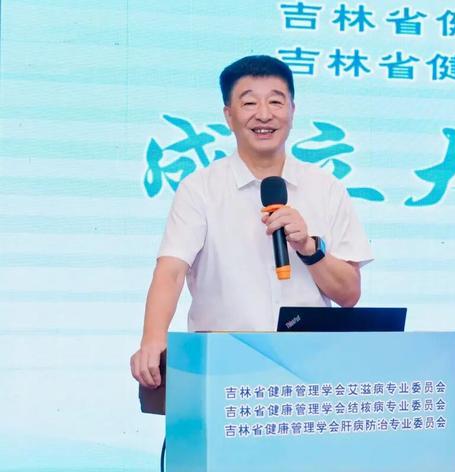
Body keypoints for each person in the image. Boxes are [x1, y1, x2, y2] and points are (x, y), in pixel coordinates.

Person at [130, 55, 372, 388]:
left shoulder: (326, 188)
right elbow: (170, 271)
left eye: (276, 101)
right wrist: (153, 339)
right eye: (249, 103)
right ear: (229, 116)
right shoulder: (200, 189)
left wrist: (309, 249)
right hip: (224, 371)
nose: (264, 114)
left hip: (309, 375)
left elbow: (349, 294)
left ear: (292, 111)